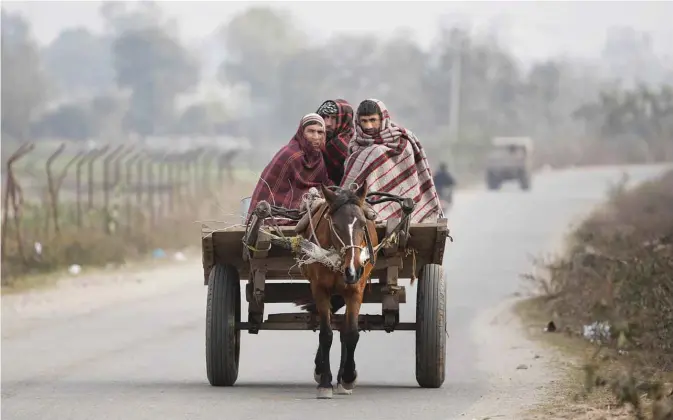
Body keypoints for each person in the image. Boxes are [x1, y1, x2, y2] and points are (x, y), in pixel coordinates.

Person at [341, 99, 442, 222]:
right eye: (364, 121)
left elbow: (410, 180)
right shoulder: (354, 143)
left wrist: (374, 154)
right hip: (362, 208)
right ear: (358, 121)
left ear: (383, 119)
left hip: (404, 206)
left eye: (373, 120)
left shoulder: (402, 141)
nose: (368, 126)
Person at [247, 113, 333, 223]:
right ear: (302, 133)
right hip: (274, 215)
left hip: (303, 212)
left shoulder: (318, 157)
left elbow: (322, 185)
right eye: (311, 131)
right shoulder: (291, 155)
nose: (316, 137)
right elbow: (273, 193)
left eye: (320, 132)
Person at [315, 99, 355, 185]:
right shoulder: (314, 139)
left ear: (344, 119)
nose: (327, 123)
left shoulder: (352, 145)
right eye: (324, 117)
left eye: (333, 118)